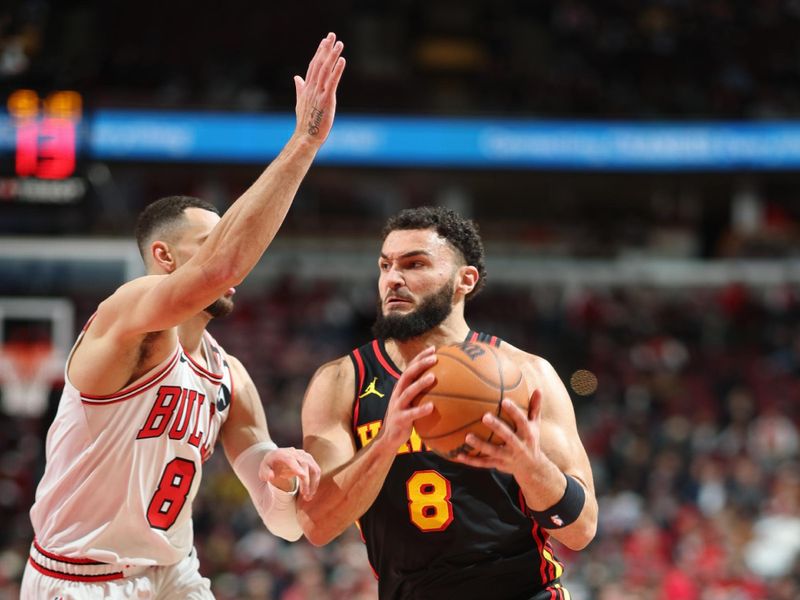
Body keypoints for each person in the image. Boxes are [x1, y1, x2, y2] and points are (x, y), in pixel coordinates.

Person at [21, 32, 346, 600]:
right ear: (164, 258)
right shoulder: (129, 315)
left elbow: (284, 525)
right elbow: (221, 268)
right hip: (80, 578)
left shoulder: (229, 375)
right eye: (212, 240)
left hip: (176, 574)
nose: (231, 256)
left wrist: (283, 478)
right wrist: (303, 145)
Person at [299, 206, 598, 600]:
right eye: (385, 265)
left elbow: (580, 530)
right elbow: (318, 526)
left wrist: (530, 466)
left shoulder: (527, 374)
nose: (394, 279)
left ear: (465, 280)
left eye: (415, 264)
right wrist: (388, 440)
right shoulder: (341, 381)